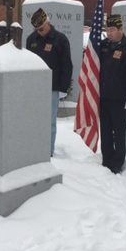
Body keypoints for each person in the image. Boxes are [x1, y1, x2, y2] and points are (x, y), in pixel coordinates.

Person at [26, 8, 73, 156]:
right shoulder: (31, 39)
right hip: (35, 87)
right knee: (34, 119)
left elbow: (67, 65)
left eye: (42, 28)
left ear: (48, 23)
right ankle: (33, 147)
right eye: (37, 29)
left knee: (49, 121)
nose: (39, 31)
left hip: (52, 87)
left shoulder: (60, 39)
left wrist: (63, 88)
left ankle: (48, 151)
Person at [99, 14, 126, 174]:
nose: (109, 33)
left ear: (121, 30)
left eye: (112, 30)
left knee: (118, 131)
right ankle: (106, 158)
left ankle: (117, 162)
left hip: (120, 99)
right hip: (104, 96)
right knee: (105, 130)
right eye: (107, 29)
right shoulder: (103, 46)